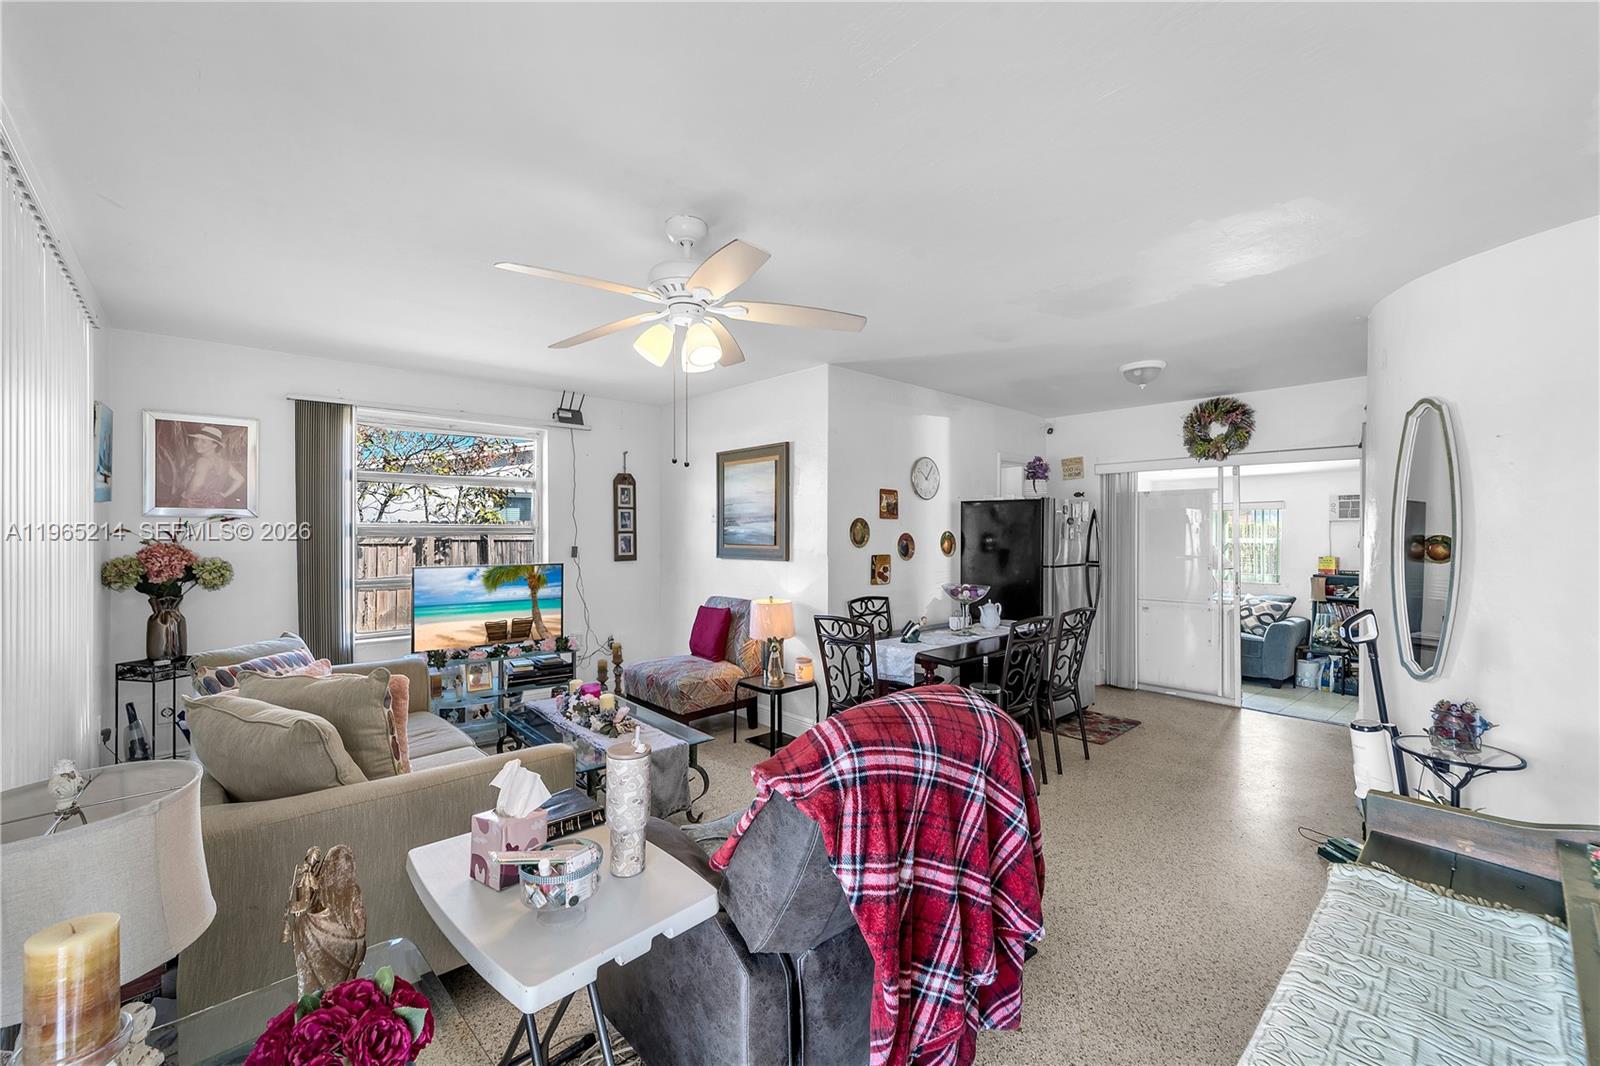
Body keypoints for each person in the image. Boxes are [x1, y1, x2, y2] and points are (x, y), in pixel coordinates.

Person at [180, 424, 245, 508]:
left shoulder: (203, 461)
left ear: (215, 445)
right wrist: (224, 495)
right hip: (216, 504)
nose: (197, 443)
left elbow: (198, 482)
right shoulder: (225, 463)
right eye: (196, 440)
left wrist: (185, 496)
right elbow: (240, 479)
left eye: (203, 441)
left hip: (196, 504)